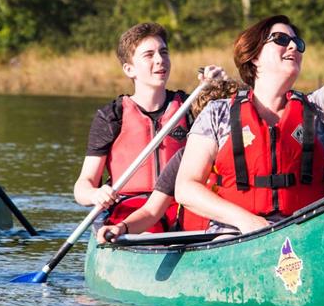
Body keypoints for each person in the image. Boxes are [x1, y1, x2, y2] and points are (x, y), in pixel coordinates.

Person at [174, 0, 324, 235]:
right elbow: (185, 188)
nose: (293, 46)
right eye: (281, 39)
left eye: (297, 43)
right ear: (254, 56)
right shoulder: (217, 114)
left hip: (306, 235)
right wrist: (248, 221)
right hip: (234, 237)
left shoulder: (318, 112)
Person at [72, 22, 224, 233]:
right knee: (149, 229)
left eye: (163, 52)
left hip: (181, 202)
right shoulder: (112, 116)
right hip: (131, 207)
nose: (160, 60)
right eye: (149, 55)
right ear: (129, 69)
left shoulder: (191, 107)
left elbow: (230, 121)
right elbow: (82, 186)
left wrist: (218, 89)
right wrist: (95, 194)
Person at [96, 78, 243, 243]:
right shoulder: (183, 159)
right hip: (195, 239)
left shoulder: (254, 154)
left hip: (242, 232)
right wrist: (122, 227)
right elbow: (151, 212)